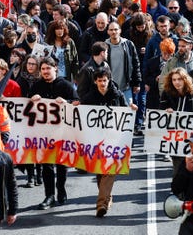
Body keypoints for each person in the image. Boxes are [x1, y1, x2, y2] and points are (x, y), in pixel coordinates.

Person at [82, 68, 137, 217]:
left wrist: (131, 109)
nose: (102, 83)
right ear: (95, 81)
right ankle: (107, 196)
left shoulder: (117, 95)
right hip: (96, 141)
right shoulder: (89, 97)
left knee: (109, 170)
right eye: (99, 81)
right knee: (100, 172)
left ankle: (101, 205)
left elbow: (125, 112)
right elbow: (80, 115)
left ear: (109, 80)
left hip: (114, 140)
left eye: (104, 80)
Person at [30, 57, 79, 209]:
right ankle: (49, 195)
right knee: (46, 165)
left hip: (62, 131)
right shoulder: (36, 86)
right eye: (42, 69)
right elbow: (25, 107)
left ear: (55, 68)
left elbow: (77, 102)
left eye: (47, 69)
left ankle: (61, 190)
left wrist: (67, 102)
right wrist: (31, 100)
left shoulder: (65, 85)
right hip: (43, 133)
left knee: (61, 164)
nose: (45, 72)